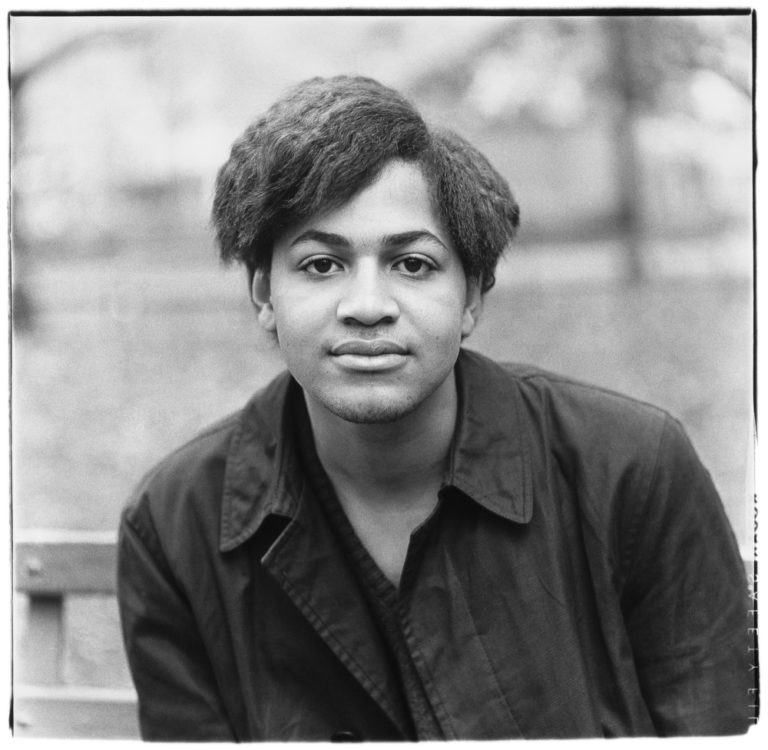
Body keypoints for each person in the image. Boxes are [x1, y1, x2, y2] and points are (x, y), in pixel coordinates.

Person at [117, 75, 752, 741]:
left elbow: (714, 722)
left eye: (413, 264)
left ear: (472, 296)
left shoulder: (631, 469)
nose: (367, 304)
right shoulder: (175, 524)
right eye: (321, 265)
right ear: (262, 296)